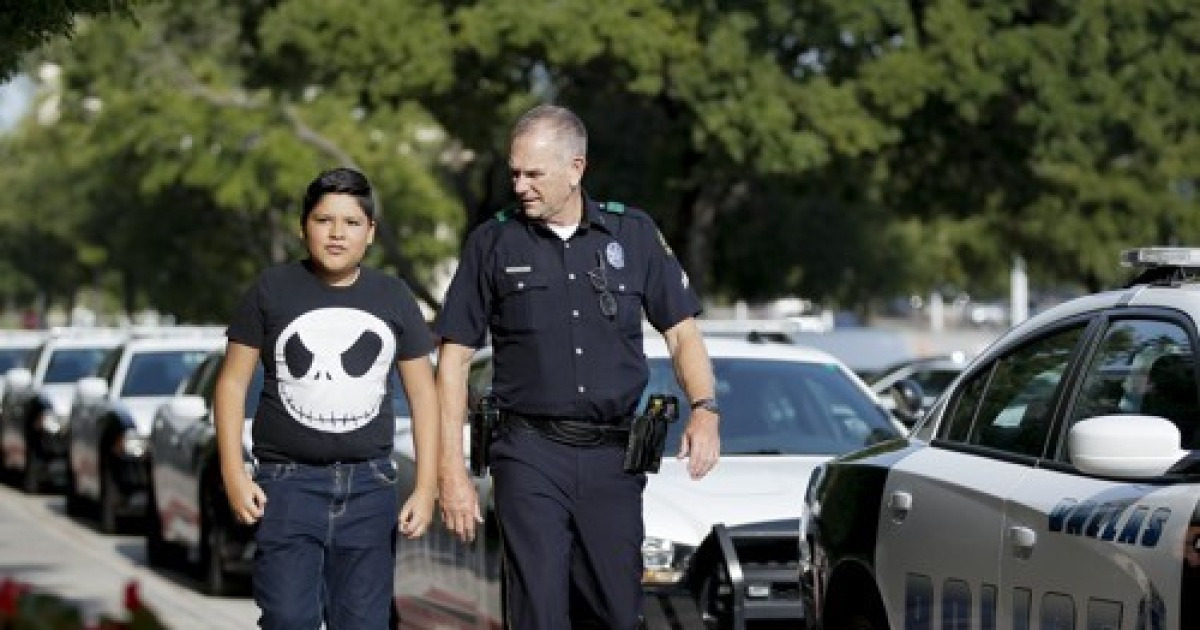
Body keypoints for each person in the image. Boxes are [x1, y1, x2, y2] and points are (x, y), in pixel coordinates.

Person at [434, 104, 721, 629]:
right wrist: (451, 470)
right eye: (514, 173)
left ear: (576, 168)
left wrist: (705, 409)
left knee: (616, 612)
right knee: (539, 611)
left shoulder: (632, 234)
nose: (520, 186)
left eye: (534, 174)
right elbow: (453, 360)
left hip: (613, 458)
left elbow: (682, 333)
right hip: (528, 452)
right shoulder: (493, 242)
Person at [214, 167, 439, 629]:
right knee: (287, 618)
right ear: (303, 227)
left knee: (363, 622)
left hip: (371, 487)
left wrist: (426, 486)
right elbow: (232, 383)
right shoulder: (271, 289)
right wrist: (233, 472)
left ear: (370, 232)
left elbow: (423, 395)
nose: (337, 233)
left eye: (351, 222)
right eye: (324, 220)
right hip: (286, 485)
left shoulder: (393, 296)